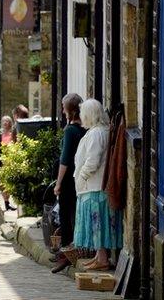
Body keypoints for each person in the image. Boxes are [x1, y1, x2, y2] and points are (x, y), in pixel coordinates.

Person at [72, 99, 122, 271]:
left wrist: (82, 177)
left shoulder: (96, 134)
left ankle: (102, 258)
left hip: (93, 186)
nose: (80, 116)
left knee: (97, 225)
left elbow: (93, 161)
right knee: (97, 225)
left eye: (82, 113)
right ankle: (99, 256)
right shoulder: (99, 131)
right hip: (94, 186)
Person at [51, 93, 86, 273]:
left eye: (64, 107)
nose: (62, 110)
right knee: (76, 215)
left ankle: (65, 254)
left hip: (67, 179)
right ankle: (75, 251)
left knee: (65, 217)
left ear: (69, 110)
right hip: (80, 178)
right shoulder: (84, 129)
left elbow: (64, 160)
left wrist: (58, 183)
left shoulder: (70, 131)